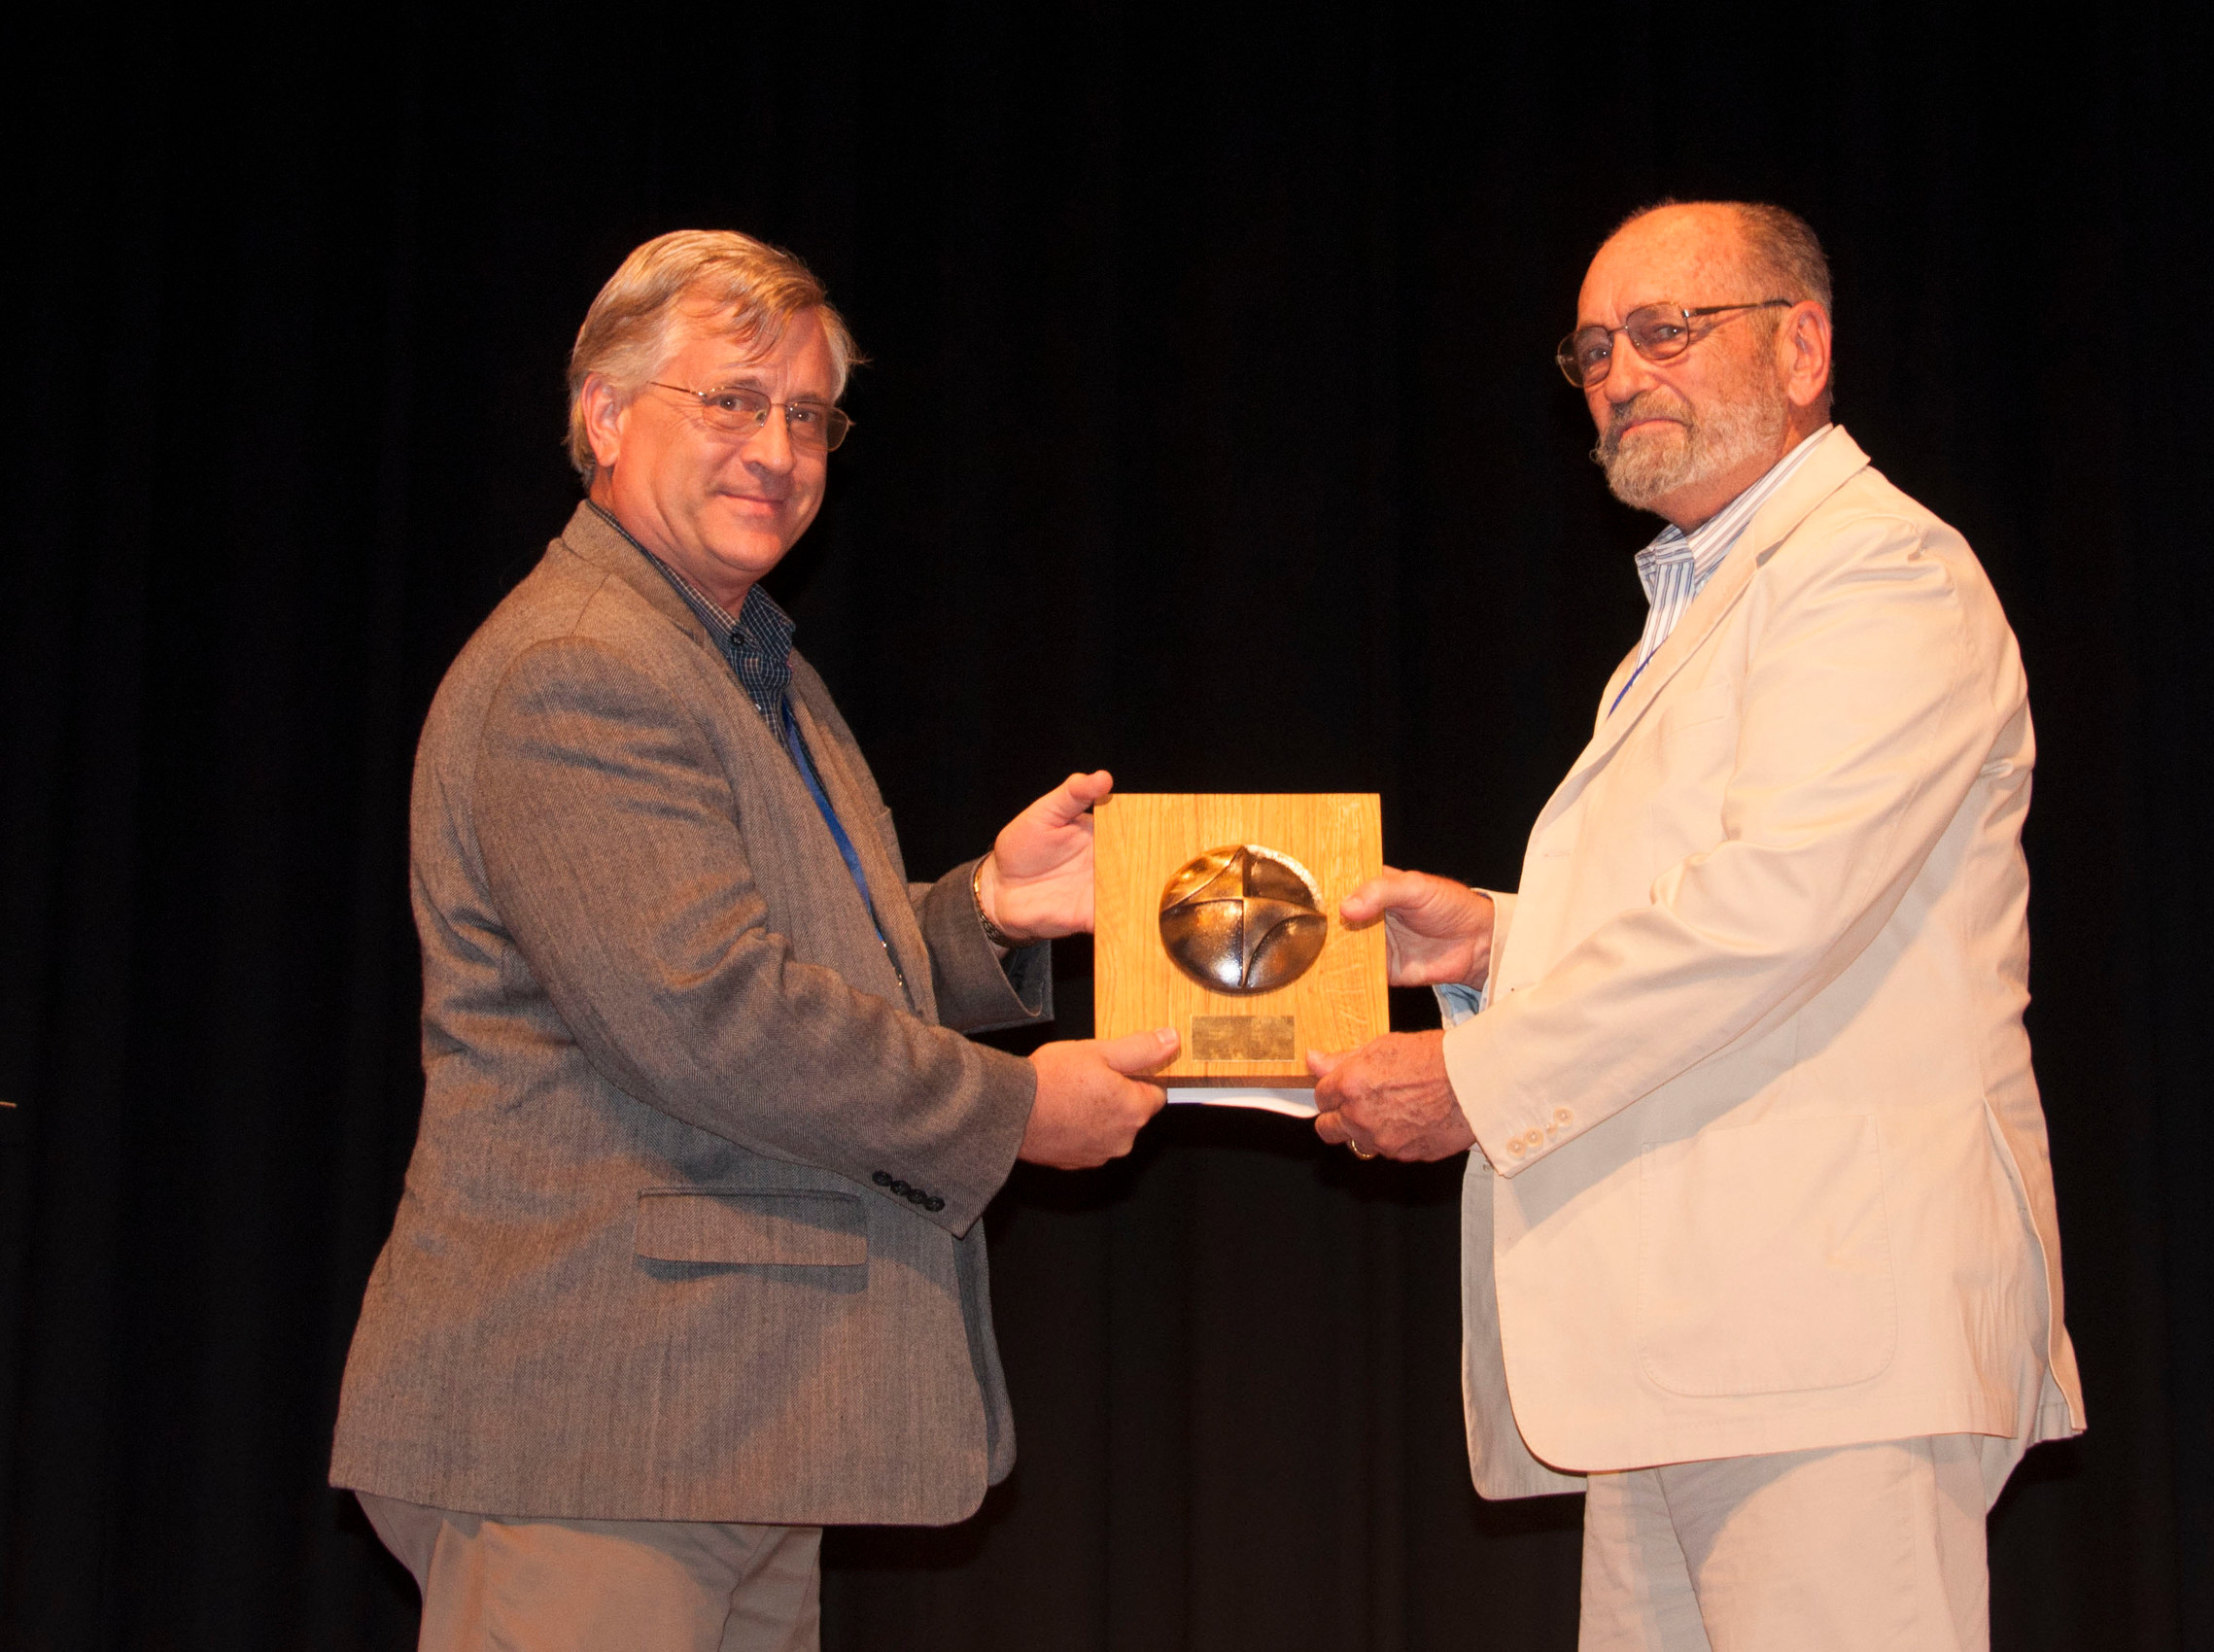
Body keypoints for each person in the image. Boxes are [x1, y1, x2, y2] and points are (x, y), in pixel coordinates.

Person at [330, 229, 1173, 1650]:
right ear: (604, 413)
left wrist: (990, 915)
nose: (775, 448)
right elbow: (712, 1012)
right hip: (595, 1432)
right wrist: (1020, 1110)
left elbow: (782, 960)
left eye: (804, 415)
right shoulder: (581, 667)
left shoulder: (737, 659)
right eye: (729, 400)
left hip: (721, 1426)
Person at [1310, 200, 2084, 1650]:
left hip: (1826, 1335)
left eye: (1667, 330)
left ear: (1803, 346)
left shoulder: (1878, 571)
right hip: (1699, 1340)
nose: (1619, 373)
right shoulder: (1715, 594)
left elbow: (1772, 912)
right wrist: (1489, 939)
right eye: (1594, 348)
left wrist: (1477, 1080)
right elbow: (1716, 904)